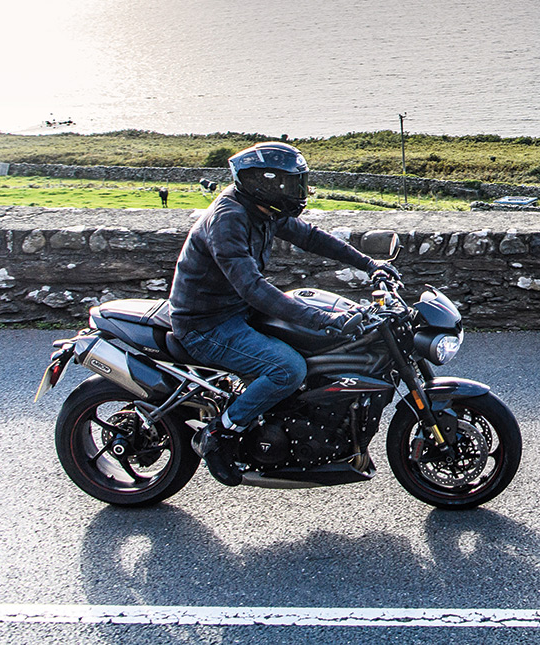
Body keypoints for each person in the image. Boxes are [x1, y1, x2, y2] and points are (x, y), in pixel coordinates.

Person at [168, 142, 395, 485]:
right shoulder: (229, 219)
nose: (298, 190)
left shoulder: (263, 209)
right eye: (291, 183)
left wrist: (369, 264)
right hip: (206, 324)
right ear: (265, 183)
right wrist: (324, 320)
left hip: (236, 312)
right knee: (287, 369)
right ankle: (220, 434)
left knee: (310, 347)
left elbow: (314, 238)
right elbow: (254, 289)